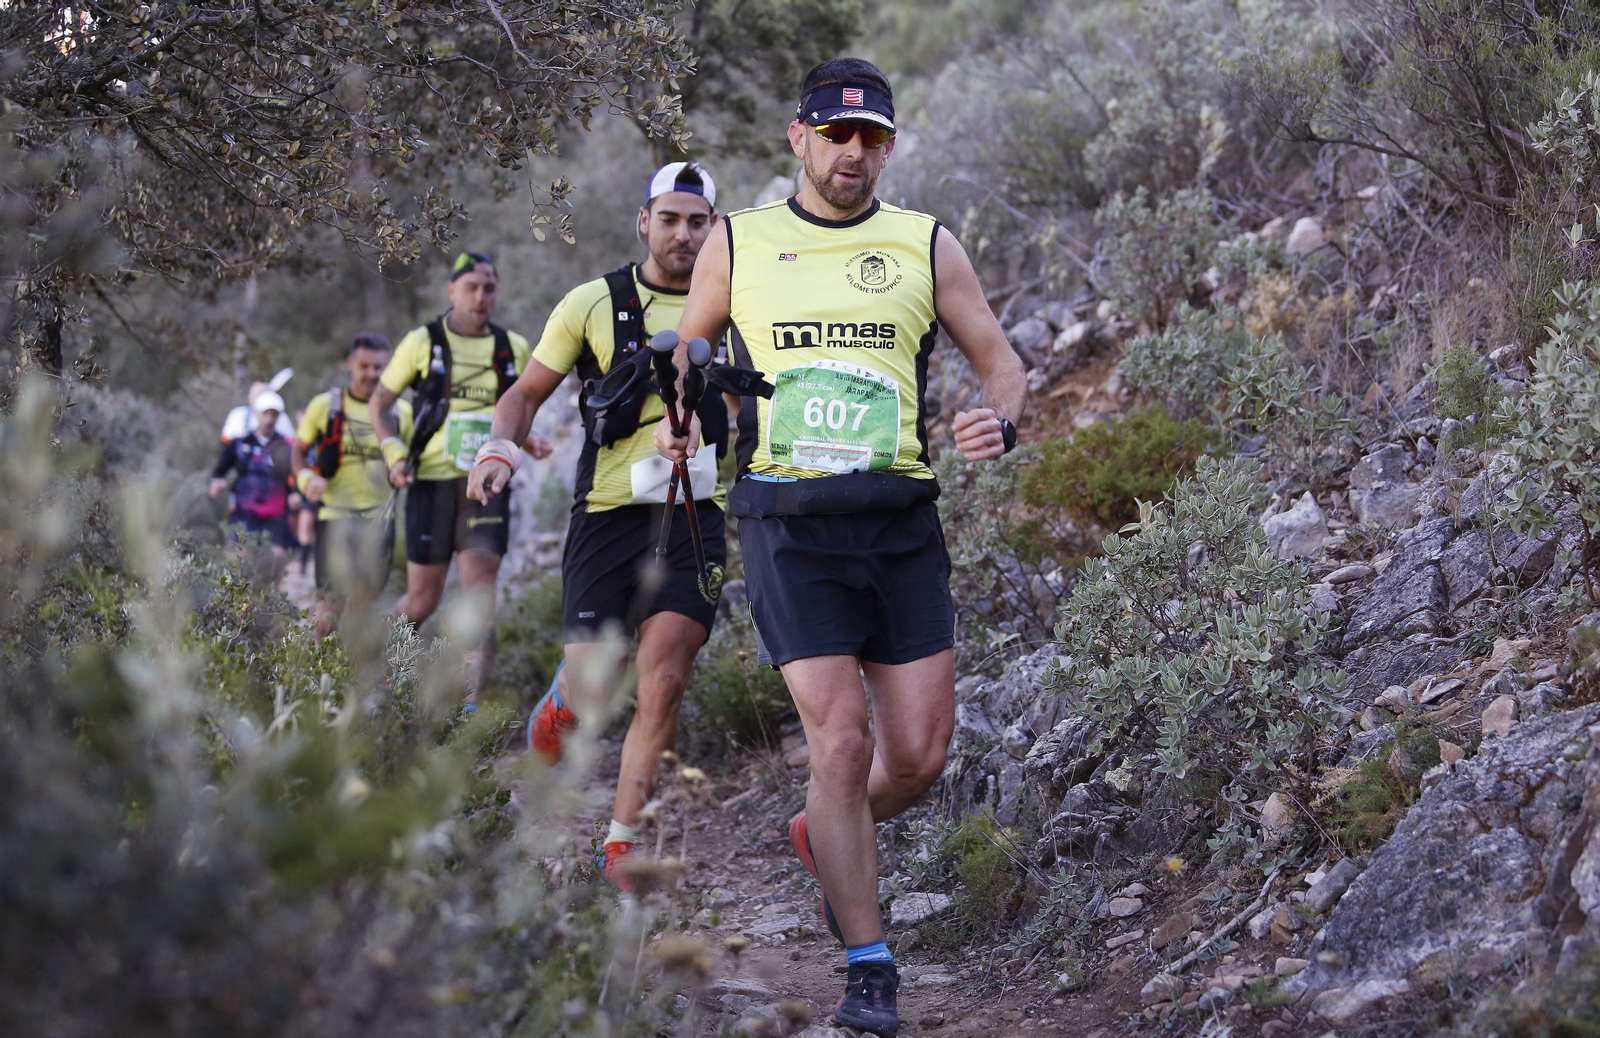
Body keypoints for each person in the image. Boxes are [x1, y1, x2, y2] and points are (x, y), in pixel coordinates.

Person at [655, 59, 1026, 1035]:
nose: (853, 153)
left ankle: (821, 833)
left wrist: (997, 419)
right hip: (787, 521)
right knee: (842, 740)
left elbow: (1000, 364)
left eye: (872, 138)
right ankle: (869, 966)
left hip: (900, 522)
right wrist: (679, 413)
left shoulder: (926, 244)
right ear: (798, 138)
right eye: (836, 134)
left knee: (918, 757)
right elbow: (687, 352)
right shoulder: (737, 242)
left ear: (888, 146)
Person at [466, 162, 729, 892]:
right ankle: (557, 710)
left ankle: (619, 848)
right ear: (644, 221)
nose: (683, 233)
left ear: (714, 228)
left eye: (697, 221)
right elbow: (525, 392)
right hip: (608, 515)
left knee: (666, 676)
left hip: (695, 513)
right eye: (669, 218)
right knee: (592, 687)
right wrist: (499, 448)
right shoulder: (593, 302)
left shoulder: (738, 301)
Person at [369, 251, 548, 700]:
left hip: (486, 487)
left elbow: (516, 408)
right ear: (451, 291)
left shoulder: (513, 348)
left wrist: (529, 441)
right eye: (471, 287)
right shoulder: (422, 342)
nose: (481, 297)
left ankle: (467, 711)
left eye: (489, 288)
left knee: (479, 601)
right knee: (421, 602)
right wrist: (393, 454)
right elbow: (379, 404)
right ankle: (379, 679)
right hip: (431, 485)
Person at [292, 333, 415, 639]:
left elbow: (411, 463)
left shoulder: (401, 414)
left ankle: (351, 679)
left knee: (364, 609)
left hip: (380, 522)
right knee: (330, 609)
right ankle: (318, 676)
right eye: (365, 366)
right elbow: (296, 452)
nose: (372, 374)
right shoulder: (326, 407)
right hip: (335, 519)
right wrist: (306, 480)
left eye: (379, 368)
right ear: (350, 364)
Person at [210, 389, 297, 554]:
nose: (269, 420)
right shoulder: (240, 444)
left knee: (277, 562)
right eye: (265, 414)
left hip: (276, 517)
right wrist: (215, 483)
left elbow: (296, 476)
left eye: (274, 415)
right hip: (244, 514)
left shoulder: (286, 447)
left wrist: (296, 494)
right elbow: (218, 471)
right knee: (239, 561)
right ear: (256, 414)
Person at [221, 370, 296, 443]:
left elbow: (291, 441)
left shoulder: (281, 418)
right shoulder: (238, 414)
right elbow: (226, 439)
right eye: (255, 395)